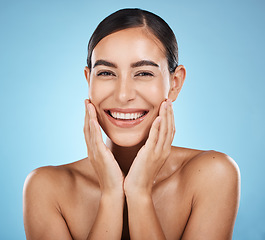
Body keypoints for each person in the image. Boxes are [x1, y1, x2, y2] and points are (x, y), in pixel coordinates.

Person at [23, 8, 240, 240]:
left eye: (144, 73)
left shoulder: (212, 174)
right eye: (106, 73)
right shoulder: (46, 188)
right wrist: (110, 194)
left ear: (175, 83)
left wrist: (139, 193)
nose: (123, 95)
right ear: (89, 80)